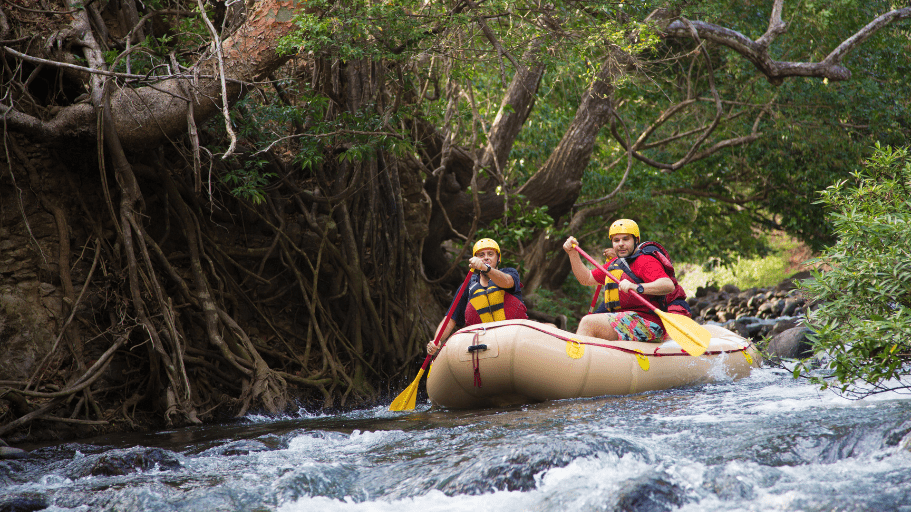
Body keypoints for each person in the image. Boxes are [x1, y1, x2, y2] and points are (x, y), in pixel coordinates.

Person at [563, 219, 674, 342]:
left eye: (625, 239)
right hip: (622, 319)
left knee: (589, 322)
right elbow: (586, 279)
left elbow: (667, 285)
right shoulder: (615, 264)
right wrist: (572, 253)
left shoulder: (645, 261)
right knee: (592, 321)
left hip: (648, 324)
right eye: (616, 240)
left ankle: (577, 358)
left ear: (636, 240)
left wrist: (636, 287)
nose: (620, 244)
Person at [427, 238, 527, 355]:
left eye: (490, 254)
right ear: (475, 260)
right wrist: (436, 341)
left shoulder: (510, 273)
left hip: (514, 337)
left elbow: (507, 282)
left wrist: (486, 268)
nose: (486, 257)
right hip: (482, 344)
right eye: (481, 255)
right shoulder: (468, 286)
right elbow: (450, 319)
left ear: (498, 258)